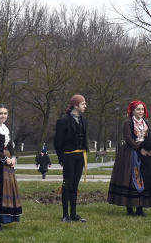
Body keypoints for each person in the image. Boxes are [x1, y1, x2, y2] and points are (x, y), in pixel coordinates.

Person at [107, 101, 151, 216]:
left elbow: (150, 137)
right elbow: (128, 138)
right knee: (131, 179)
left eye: (142, 109)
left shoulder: (146, 123)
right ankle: (129, 207)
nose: (141, 111)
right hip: (131, 153)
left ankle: (140, 207)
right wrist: (139, 149)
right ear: (132, 111)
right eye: (138, 109)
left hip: (145, 153)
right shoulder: (128, 122)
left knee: (145, 177)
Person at [54, 94, 89, 223]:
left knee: (75, 185)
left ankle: (74, 214)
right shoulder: (63, 121)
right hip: (68, 156)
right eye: (83, 104)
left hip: (80, 155)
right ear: (76, 105)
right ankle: (65, 215)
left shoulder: (83, 120)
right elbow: (58, 142)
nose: (85, 106)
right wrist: (61, 158)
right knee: (67, 185)